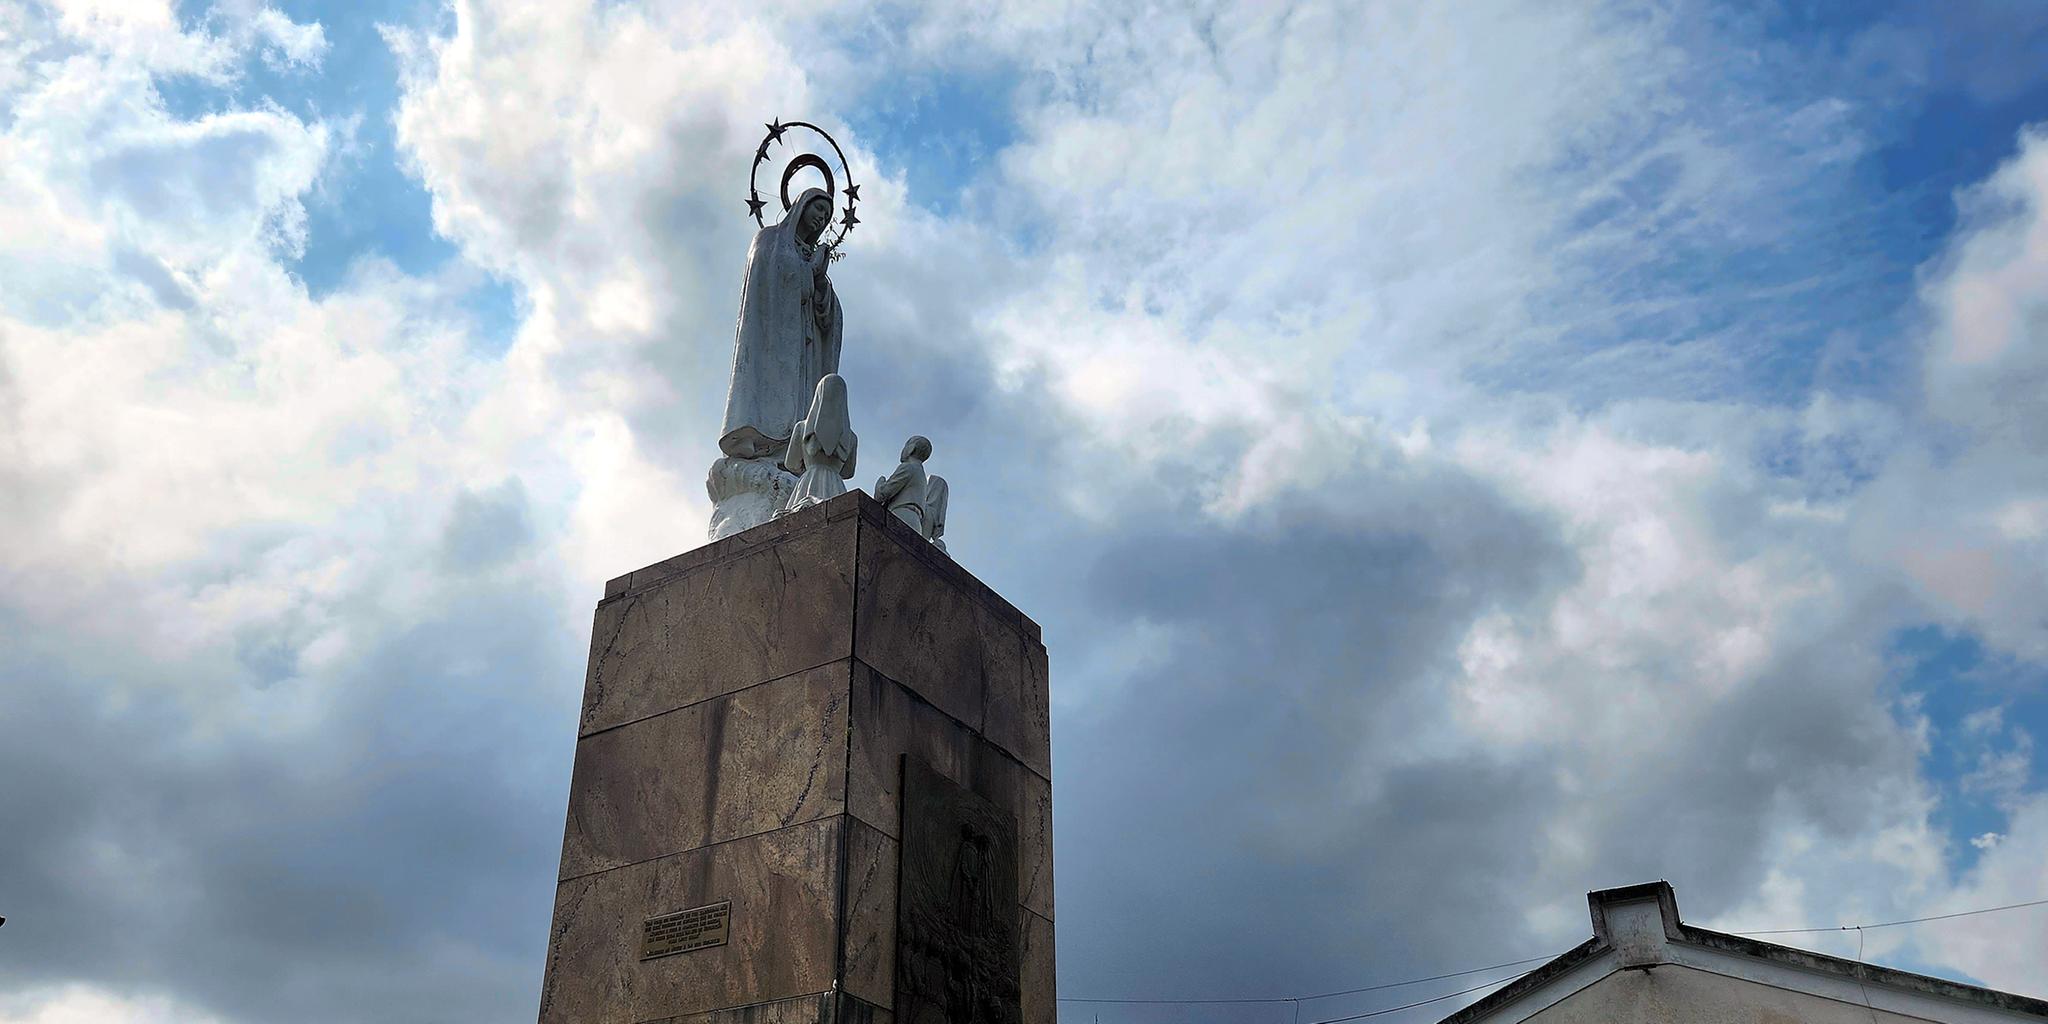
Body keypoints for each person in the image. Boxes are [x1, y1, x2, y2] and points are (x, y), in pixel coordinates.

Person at [717, 188, 841, 461]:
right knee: (772, 389)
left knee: (801, 395)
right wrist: (809, 272)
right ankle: (754, 436)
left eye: (828, 215)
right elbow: (769, 279)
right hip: (773, 339)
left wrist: (820, 281)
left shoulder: (811, 255)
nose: (822, 218)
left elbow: (827, 314)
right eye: (819, 209)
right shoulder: (770, 240)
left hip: (804, 345)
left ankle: (790, 449)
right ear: (801, 206)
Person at [780, 374, 856, 514]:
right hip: (835, 485)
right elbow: (848, 472)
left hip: (809, 481)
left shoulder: (802, 428)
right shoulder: (851, 437)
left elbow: (791, 464)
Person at [874, 435, 933, 535]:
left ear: (911, 448)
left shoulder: (908, 467)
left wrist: (879, 484)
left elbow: (883, 494)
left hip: (900, 515)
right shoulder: (921, 474)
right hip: (916, 523)